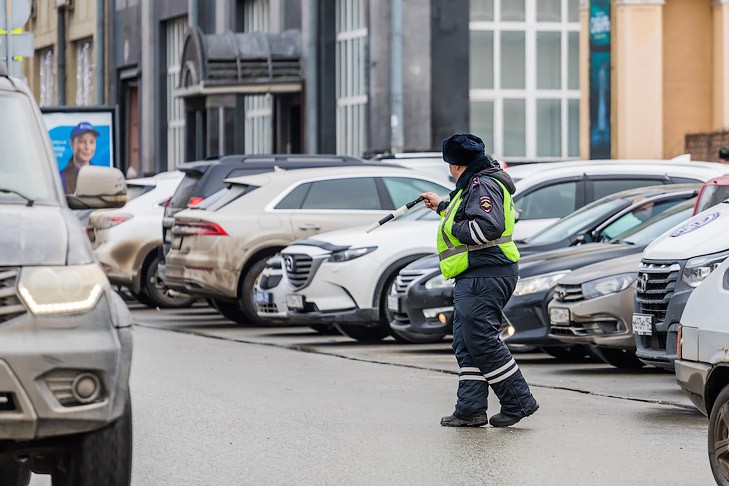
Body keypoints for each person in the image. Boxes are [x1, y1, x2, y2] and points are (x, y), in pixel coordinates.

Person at [420, 134, 538, 428]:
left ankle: (518, 401)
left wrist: (454, 226)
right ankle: (470, 409)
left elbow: (488, 226)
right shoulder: (474, 182)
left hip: (486, 273)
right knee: (467, 342)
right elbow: (466, 213)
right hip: (475, 274)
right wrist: (441, 207)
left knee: (481, 340)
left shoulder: (481, 183)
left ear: (454, 163)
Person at [61, 121, 99, 194]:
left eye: (91, 142)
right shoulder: (60, 178)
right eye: (81, 141)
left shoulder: (100, 175)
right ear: (72, 144)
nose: (87, 147)